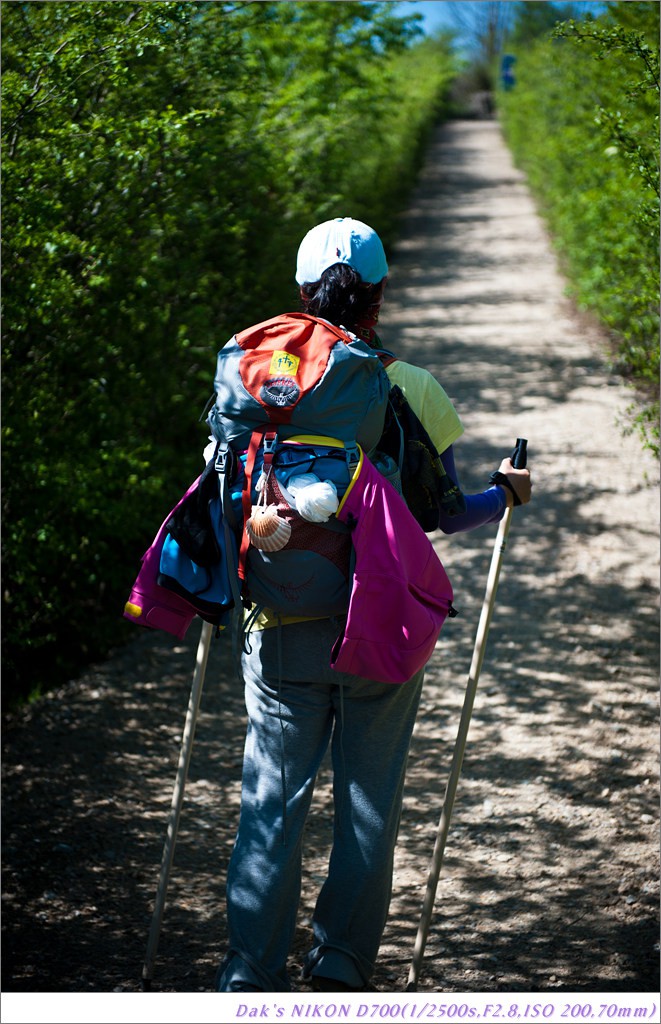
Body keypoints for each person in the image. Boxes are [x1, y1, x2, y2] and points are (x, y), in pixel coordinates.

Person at [215, 217, 532, 993]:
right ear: (380, 296)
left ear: (299, 294)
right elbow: (443, 511)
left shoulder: (265, 383)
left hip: (280, 621)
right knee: (367, 799)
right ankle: (342, 962)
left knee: (271, 800)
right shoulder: (410, 385)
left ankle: (249, 974)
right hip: (380, 622)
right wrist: (506, 494)